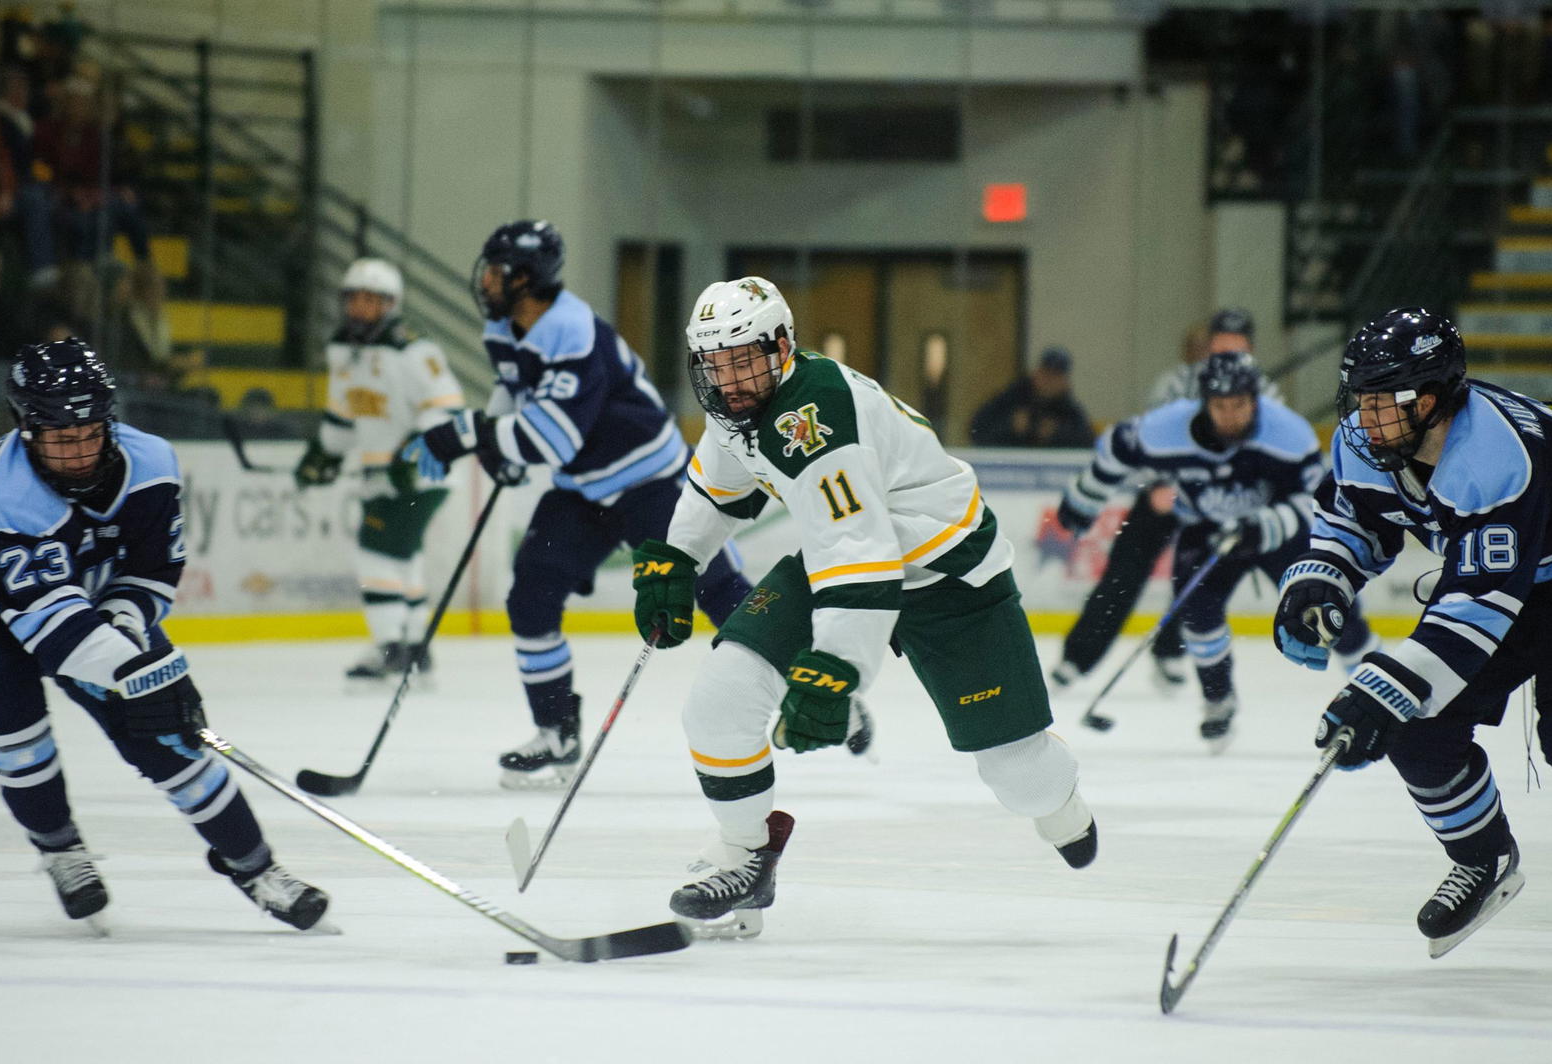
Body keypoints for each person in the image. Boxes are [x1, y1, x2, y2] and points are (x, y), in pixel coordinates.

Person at [629, 276, 1097, 938]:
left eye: (742, 359)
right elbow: (719, 489)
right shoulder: (739, 405)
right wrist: (677, 560)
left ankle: (1063, 807)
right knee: (719, 701)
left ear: (782, 348)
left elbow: (864, 558)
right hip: (851, 562)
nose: (729, 379)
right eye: (715, 362)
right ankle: (746, 857)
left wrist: (837, 668)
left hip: (949, 576)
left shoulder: (813, 419)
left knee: (1021, 776)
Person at [0, 338, 328, 930]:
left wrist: (128, 632)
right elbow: (52, 628)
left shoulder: (151, 462)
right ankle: (60, 850)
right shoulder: (5, 497)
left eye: (90, 434)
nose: (78, 453)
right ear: (25, 428)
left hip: (88, 603)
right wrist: (136, 673)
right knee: (13, 727)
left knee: (171, 738)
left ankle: (256, 869)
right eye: (61, 438)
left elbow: (152, 570)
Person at [402, 220, 761, 789]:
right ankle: (556, 733)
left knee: (718, 591)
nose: (487, 282)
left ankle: (803, 680)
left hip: (652, 480)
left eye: (497, 272)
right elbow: (516, 393)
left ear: (526, 278)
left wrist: (469, 433)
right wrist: (499, 441)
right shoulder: (506, 326)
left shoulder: (571, 332)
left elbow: (553, 440)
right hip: (585, 489)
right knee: (532, 595)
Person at [1274, 307, 1552, 957]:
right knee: (1420, 728)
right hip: (1511, 583)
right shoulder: (1368, 438)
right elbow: (1354, 522)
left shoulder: (1496, 453)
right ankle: (1483, 859)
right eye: (1361, 401)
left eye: (1381, 403)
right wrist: (1321, 579)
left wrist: (1383, 685)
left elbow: (1479, 607)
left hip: (1517, 585)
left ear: (1431, 399)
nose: (1364, 419)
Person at [1058, 350, 1376, 752]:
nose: (1230, 415)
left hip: (1278, 530)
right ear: (1204, 402)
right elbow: (1117, 448)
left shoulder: (1288, 434)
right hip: (1206, 529)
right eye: (1220, 406)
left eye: (1239, 405)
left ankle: (1372, 683)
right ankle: (1218, 700)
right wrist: (1084, 499)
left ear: (1256, 400)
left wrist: (1265, 526)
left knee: (1326, 607)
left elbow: (1317, 499)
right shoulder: (1166, 429)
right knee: (1196, 611)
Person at [1051, 309, 1284, 695]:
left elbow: (1269, 452)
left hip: (1221, 502)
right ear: (1209, 345)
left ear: (1251, 349)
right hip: (1165, 494)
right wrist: (1160, 481)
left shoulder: (1267, 394)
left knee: (1198, 577)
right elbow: (1150, 436)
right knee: (1124, 573)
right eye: (1220, 345)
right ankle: (1077, 657)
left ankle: (1169, 652)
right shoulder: (1176, 383)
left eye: (1237, 346)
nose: (1227, 353)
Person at [295, 258, 465, 683]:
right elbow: (344, 412)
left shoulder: (414, 350)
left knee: (376, 550)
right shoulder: (342, 350)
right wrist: (326, 453)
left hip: (424, 474)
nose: (359, 308)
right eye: (354, 299)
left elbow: (447, 410)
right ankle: (413, 646)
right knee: (404, 558)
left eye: (370, 301)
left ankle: (392, 647)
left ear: (389, 305)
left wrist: (412, 453)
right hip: (381, 475)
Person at [967, 346, 1095, 448]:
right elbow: (976, 430)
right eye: (1045, 373)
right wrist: (1010, 426)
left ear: (1065, 382)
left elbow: (1087, 442)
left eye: (1055, 376)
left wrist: (1056, 434)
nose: (1048, 381)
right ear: (1036, 373)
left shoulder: (1069, 410)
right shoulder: (1012, 398)